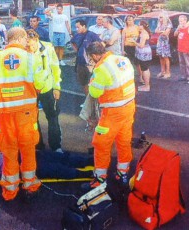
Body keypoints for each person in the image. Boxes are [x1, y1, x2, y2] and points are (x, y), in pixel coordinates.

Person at [0, 27, 47, 201]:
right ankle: (30, 186)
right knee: (27, 148)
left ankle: (10, 191)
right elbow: (42, 84)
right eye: (26, 39)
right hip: (25, 112)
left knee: (9, 150)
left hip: (4, 113)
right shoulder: (31, 57)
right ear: (20, 38)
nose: (27, 42)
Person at [83, 41, 135, 190]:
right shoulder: (123, 59)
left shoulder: (101, 69)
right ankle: (122, 173)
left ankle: (100, 179)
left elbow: (94, 92)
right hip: (129, 107)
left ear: (94, 55)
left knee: (101, 144)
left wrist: (92, 77)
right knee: (124, 141)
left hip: (112, 113)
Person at [0, 148, 94, 182]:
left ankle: (87, 161)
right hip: (16, 168)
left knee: (56, 156)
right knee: (53, 168)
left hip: (18, 155)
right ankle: (85, 174)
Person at [26, 29, 63, 152]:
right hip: (31, 91)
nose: (30, 48)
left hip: (47, 88)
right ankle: (38, 145)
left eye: (31, 45)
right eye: (27, 46)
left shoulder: (48, 48)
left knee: (52, 117)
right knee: (32, 119)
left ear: (36, 40)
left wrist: (57, 87)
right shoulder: (23, 51)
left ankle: (56, 146)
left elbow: (55, 67)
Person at [71, 19, 101, 95]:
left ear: (84, 26)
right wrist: (77, 51)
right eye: (76, 27)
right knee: (83, 83)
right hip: (80, 63)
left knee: (93, 82)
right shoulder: (77, 35)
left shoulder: (91, 35)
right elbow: (72, 42)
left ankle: (94, 100)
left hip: (90, 64)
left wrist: (94, 56)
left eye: (78, 27)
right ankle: (87, 99)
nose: (76, 29)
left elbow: (101, 44)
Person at [174, 15, 189, 84]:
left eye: (182, 21)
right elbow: (175, 35)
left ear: (185, 21)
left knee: (188, 64)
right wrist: (177, 28)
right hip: (180, 48)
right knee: (182, 63)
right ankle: (184, 76)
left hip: (186, 49)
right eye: (179, 21)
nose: (181, 22)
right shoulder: (180, 28)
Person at [133, 20, 152, 92]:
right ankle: (146, 84)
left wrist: (134, 42)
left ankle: (147, 86)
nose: (138, 26)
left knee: (145, 69)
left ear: (143, 26)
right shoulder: (142, 33)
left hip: (144, 53)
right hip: (141, 53)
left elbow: (141, 45)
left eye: (139, 25)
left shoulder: (144, 34)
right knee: (144, 68)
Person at [121, 15, 142, 82]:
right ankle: (128, 78)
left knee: (137, 63)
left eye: (130, 19)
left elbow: (141, 36)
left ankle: (141, 77)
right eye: (128, 20)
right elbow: (123, 40)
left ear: (133, 20)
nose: (129, 21)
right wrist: (122, 50)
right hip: (127, 47)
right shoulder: (125, 29)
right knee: (128, 63)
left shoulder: (137, 27)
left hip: (136, 47)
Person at [155, 12, 172, 78]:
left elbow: (166, 33)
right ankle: (162, 71)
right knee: (160, 56)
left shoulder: (168, 23)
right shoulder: (159, 23)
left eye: (161, 17)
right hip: (159, 41)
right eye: (159, 17)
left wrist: (161, 32)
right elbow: (156, 31)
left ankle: (168, 72)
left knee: (165, 57)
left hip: (165, 42)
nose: (159, 18)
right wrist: (161, 32)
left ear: (165, 17)